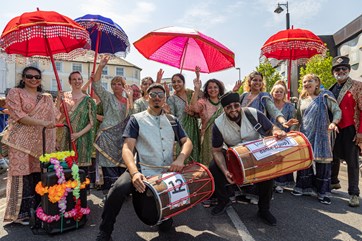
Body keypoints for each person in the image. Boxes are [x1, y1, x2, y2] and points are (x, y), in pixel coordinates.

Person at [96, 83, 193, 241]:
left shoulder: (173, 120)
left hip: (166, 173)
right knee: (117, 190)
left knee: (164, 224)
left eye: (160, 95)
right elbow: (127, 148)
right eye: (153, 94)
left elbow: (187, 141)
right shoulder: (136, 119)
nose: (157, 98)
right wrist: (134, 173)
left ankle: (164, 217)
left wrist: (181, 158)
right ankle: (105, 231)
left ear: (165, 99)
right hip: (141, 169)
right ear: (147, 97)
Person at [209, 92, 286, 226]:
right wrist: (225, 170)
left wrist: (277, 131)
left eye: (236, 105)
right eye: (229, 107)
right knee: (213, 168)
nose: (233, 109)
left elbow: (270, 128)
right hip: (233, 155)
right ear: (224, 109)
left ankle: (264, 209)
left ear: (240, 105)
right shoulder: (218, 123)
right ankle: (224, 200)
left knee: (268, 174)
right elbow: (216, 151)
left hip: (257, 153)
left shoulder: (253, 113)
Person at [1, 66, 58, 225]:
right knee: (21, 176)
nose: (33, 79)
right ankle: (20, 214)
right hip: (19, 142)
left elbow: (55, 117)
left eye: (37, 77)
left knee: (38, 175)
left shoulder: (46, 97)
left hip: (41, 143)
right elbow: (19, 116)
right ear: (23, 78)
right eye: (29, 76)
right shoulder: (15, 92)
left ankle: (39, 209)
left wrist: (59, 99)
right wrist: (43, 123)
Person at [292, 74, 341, 205]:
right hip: (306, 134)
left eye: (310, 81)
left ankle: (323, 192)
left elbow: (337, 111)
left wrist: (334, 123)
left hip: (322, 134)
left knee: (323, 162)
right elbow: (298, 118)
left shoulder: (325, 95)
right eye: (304, 82)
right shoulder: (301, 99)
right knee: (305, 160)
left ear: (317, 83)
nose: (306, 83)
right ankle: (303, 187)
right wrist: (292, 130)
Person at [93, 56, 134, 195]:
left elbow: (132, 117)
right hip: (107, 135)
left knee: (123, 163)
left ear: (124, 87)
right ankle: (109, 193)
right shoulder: (107, 97)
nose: (116, 86)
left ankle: (121, 192)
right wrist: (101, 66)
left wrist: (131, 98)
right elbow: (96, 84)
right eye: (114, 84)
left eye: (119, 84)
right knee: (108, 165)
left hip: (121, 138)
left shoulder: (128, 100)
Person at [329, 56, 362, 207]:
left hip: (351, 129)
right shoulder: (330, 89)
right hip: (335, 129)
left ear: (349, 70)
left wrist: (360, 132)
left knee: (352, 162)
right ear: (333, 73)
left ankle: (354, 193)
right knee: (333, 158)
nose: (341, 71)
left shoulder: (357, 86)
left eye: (344, 69)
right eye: (337, 69)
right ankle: (334, 182)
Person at [57, 71, 97, 172]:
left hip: (82, 138)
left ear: (82, 81)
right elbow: (55, 115)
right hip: (64, 136)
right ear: (69, 81)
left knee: (80, 171)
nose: (77, 81)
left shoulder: (88, 100)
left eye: (79, 79)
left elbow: (92, 122)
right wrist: (58, 100)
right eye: (74, 79)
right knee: (65, 167)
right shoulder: (63, 97)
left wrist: (78, 134)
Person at [167, 69, 200, 162]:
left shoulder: (190, 93)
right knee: (182, 154)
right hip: (181, 130)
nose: (176, 84)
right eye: (173, 82)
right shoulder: (171, 99)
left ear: (184, 82)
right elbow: (172, 117)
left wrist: (192, 113)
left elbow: (200, 111)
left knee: (194, 153)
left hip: (194, 129)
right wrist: (168, 111)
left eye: (179, 81)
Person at [190, 77, 225, 165]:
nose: (212, 89)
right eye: (210, 87)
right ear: (206, 90)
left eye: (215, 87)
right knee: (210, 162)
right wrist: (197, 89)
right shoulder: (203, 102)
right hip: (208, 137)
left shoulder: (224, 102)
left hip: (224, 136)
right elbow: (193, 108)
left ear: (219, 89)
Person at [270, 80, 296, 193]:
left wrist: (290, 135)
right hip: (271, 136)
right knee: (272, 160)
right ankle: (272, 182)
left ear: (284, 93)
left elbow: (294, 122)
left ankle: (281, 183)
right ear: (272, 93)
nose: (278, 93)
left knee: (283, 160)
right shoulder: (268, 105)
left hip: (285, 136)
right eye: (276, 91)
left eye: (281, 91)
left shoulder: (289, 106)